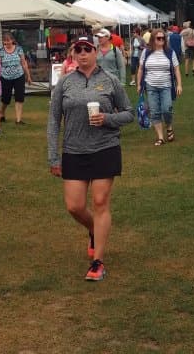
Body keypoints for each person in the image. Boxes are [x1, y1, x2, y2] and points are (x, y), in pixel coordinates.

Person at [47, 35, 134, 282]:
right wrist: (53, 157)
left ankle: (98, 262)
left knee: (100, 201)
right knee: (74, 206)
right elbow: (53, 120)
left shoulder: (110, 80)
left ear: (95, 52)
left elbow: (129, 113)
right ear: (73, 54)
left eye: (87, 49)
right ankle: (95, 230)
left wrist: (107, 119)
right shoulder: (65, 83)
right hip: (74, 150)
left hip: (105, 147)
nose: (83, 53)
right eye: (78, 50)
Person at [136, 28, 183, 145]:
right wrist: (138, 84)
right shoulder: (146, 52)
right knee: (154, 112)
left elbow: (176, 69)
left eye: (163, 38)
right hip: (150, 86)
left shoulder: (170, 52)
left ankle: (169, 127)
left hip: (166, 86)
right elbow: (140, 69)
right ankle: (160, 137)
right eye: (158, 38)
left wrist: (179, 84)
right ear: (153, 39)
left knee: (167, 109)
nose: (161, 40)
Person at [0, 31, 33, 125]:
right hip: (5, 77)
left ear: (12, 40)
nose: (7, 43)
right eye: (5, 41)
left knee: (19, 98)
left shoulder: (19, 49)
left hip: (19, 76)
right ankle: (1, 113)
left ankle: (18, 120)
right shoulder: (0, 51)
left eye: (8, 40)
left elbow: (24, 63)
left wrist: (28, 76)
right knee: (6, 99)